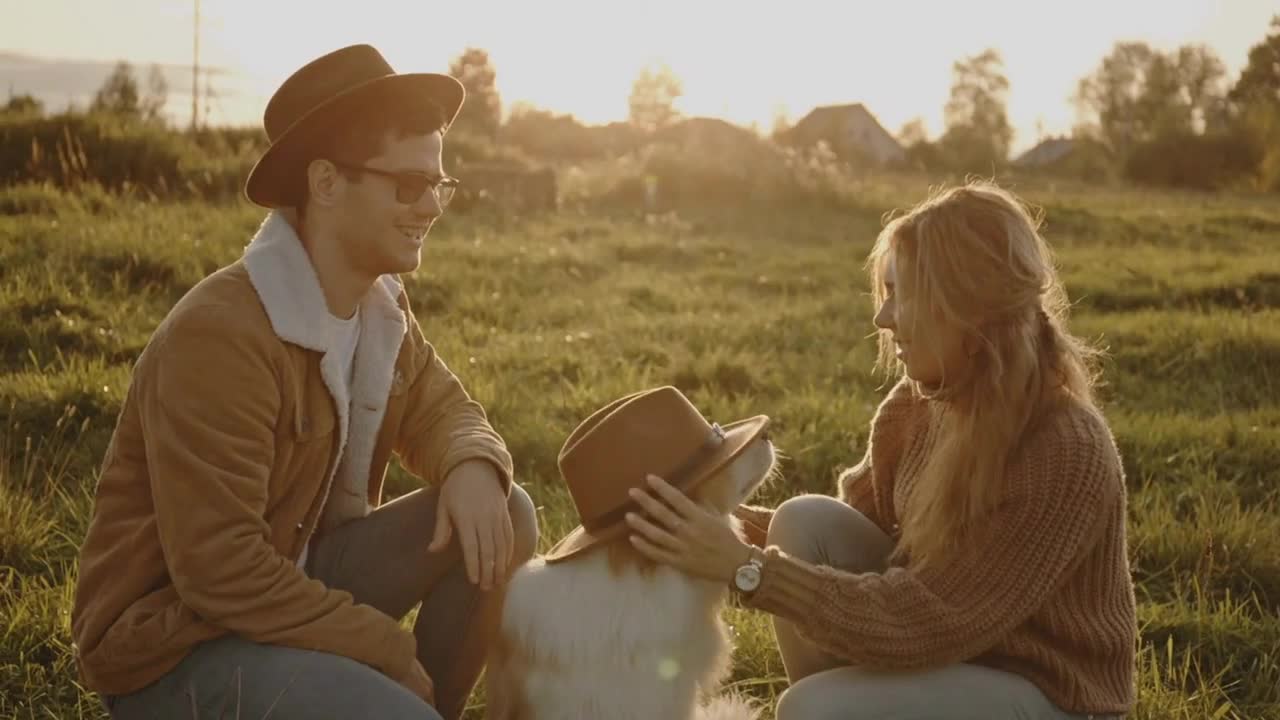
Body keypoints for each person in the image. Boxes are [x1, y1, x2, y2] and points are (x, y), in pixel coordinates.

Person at [70, 44, 538, 720]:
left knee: (508, 509)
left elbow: (444, 409)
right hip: (174, 644)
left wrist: (470, 459)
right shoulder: (223, 334)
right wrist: (384, 647)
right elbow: (219, 572)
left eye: (439, 185)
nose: (432, 207)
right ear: (325, 183)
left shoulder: (381, 308)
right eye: (409, 185)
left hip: (292, 575)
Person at [625, 181, 1137, 719]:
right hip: (960, 653)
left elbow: (932, 620)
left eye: (901, 294)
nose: (882, 318)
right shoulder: (918, 404)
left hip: (1047, 693)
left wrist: (746, 568)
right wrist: (704, 522)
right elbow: (860, 542)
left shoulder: (1063, 448)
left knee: (813, 708)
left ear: (964, 306)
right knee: (804, 521)